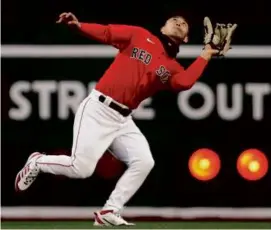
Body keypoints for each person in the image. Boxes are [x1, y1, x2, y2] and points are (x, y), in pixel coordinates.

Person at [15, 12, 235, 226]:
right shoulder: (140, 35)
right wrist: (79, 26)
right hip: (98, 108)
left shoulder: (171, 67)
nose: (179, 22)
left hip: (123, 119)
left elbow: (184, 83)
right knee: (81, 169)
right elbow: (107, 32)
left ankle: (110, 210)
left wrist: (206, 54)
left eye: (184, 24)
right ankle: (37, 162)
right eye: (174, 20)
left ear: (186, 39)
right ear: (162, 28)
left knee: (145, 161)